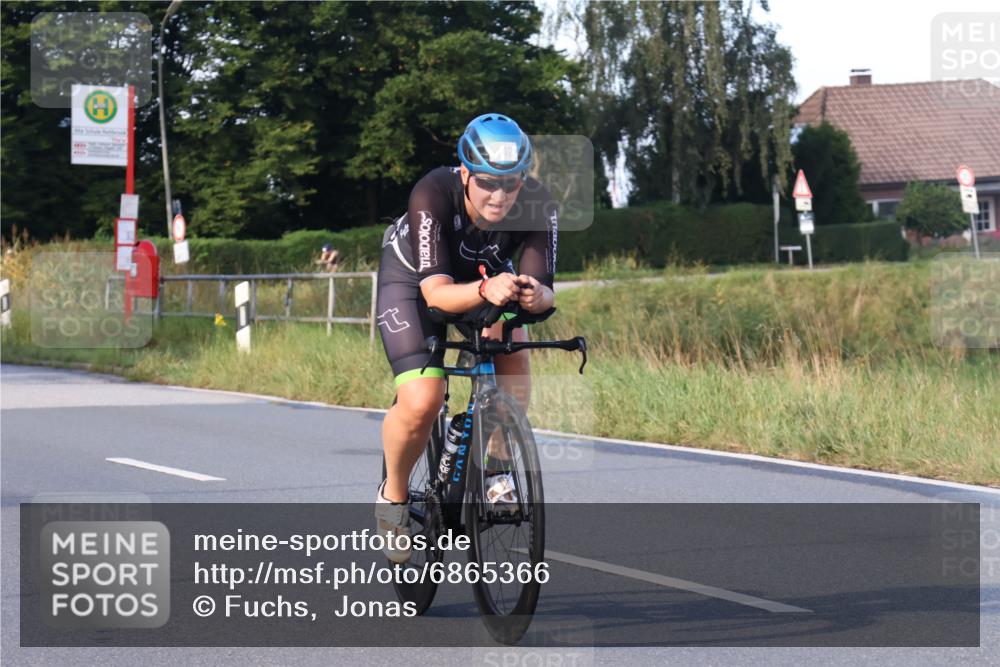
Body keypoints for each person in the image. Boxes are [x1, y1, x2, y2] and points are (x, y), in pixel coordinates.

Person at [374, 113, 558, 563]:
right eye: (488, 183)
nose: (500, 195)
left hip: (482, 280)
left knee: (510, 347)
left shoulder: (537, 201)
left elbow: (546, 288)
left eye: (511, 183)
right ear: (465, 173)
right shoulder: (433, 191)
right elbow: (435, 294)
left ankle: (495, 468)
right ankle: (393, 496)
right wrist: (485, 289)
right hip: (414, 283)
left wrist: (533, 295)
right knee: (423, 399)